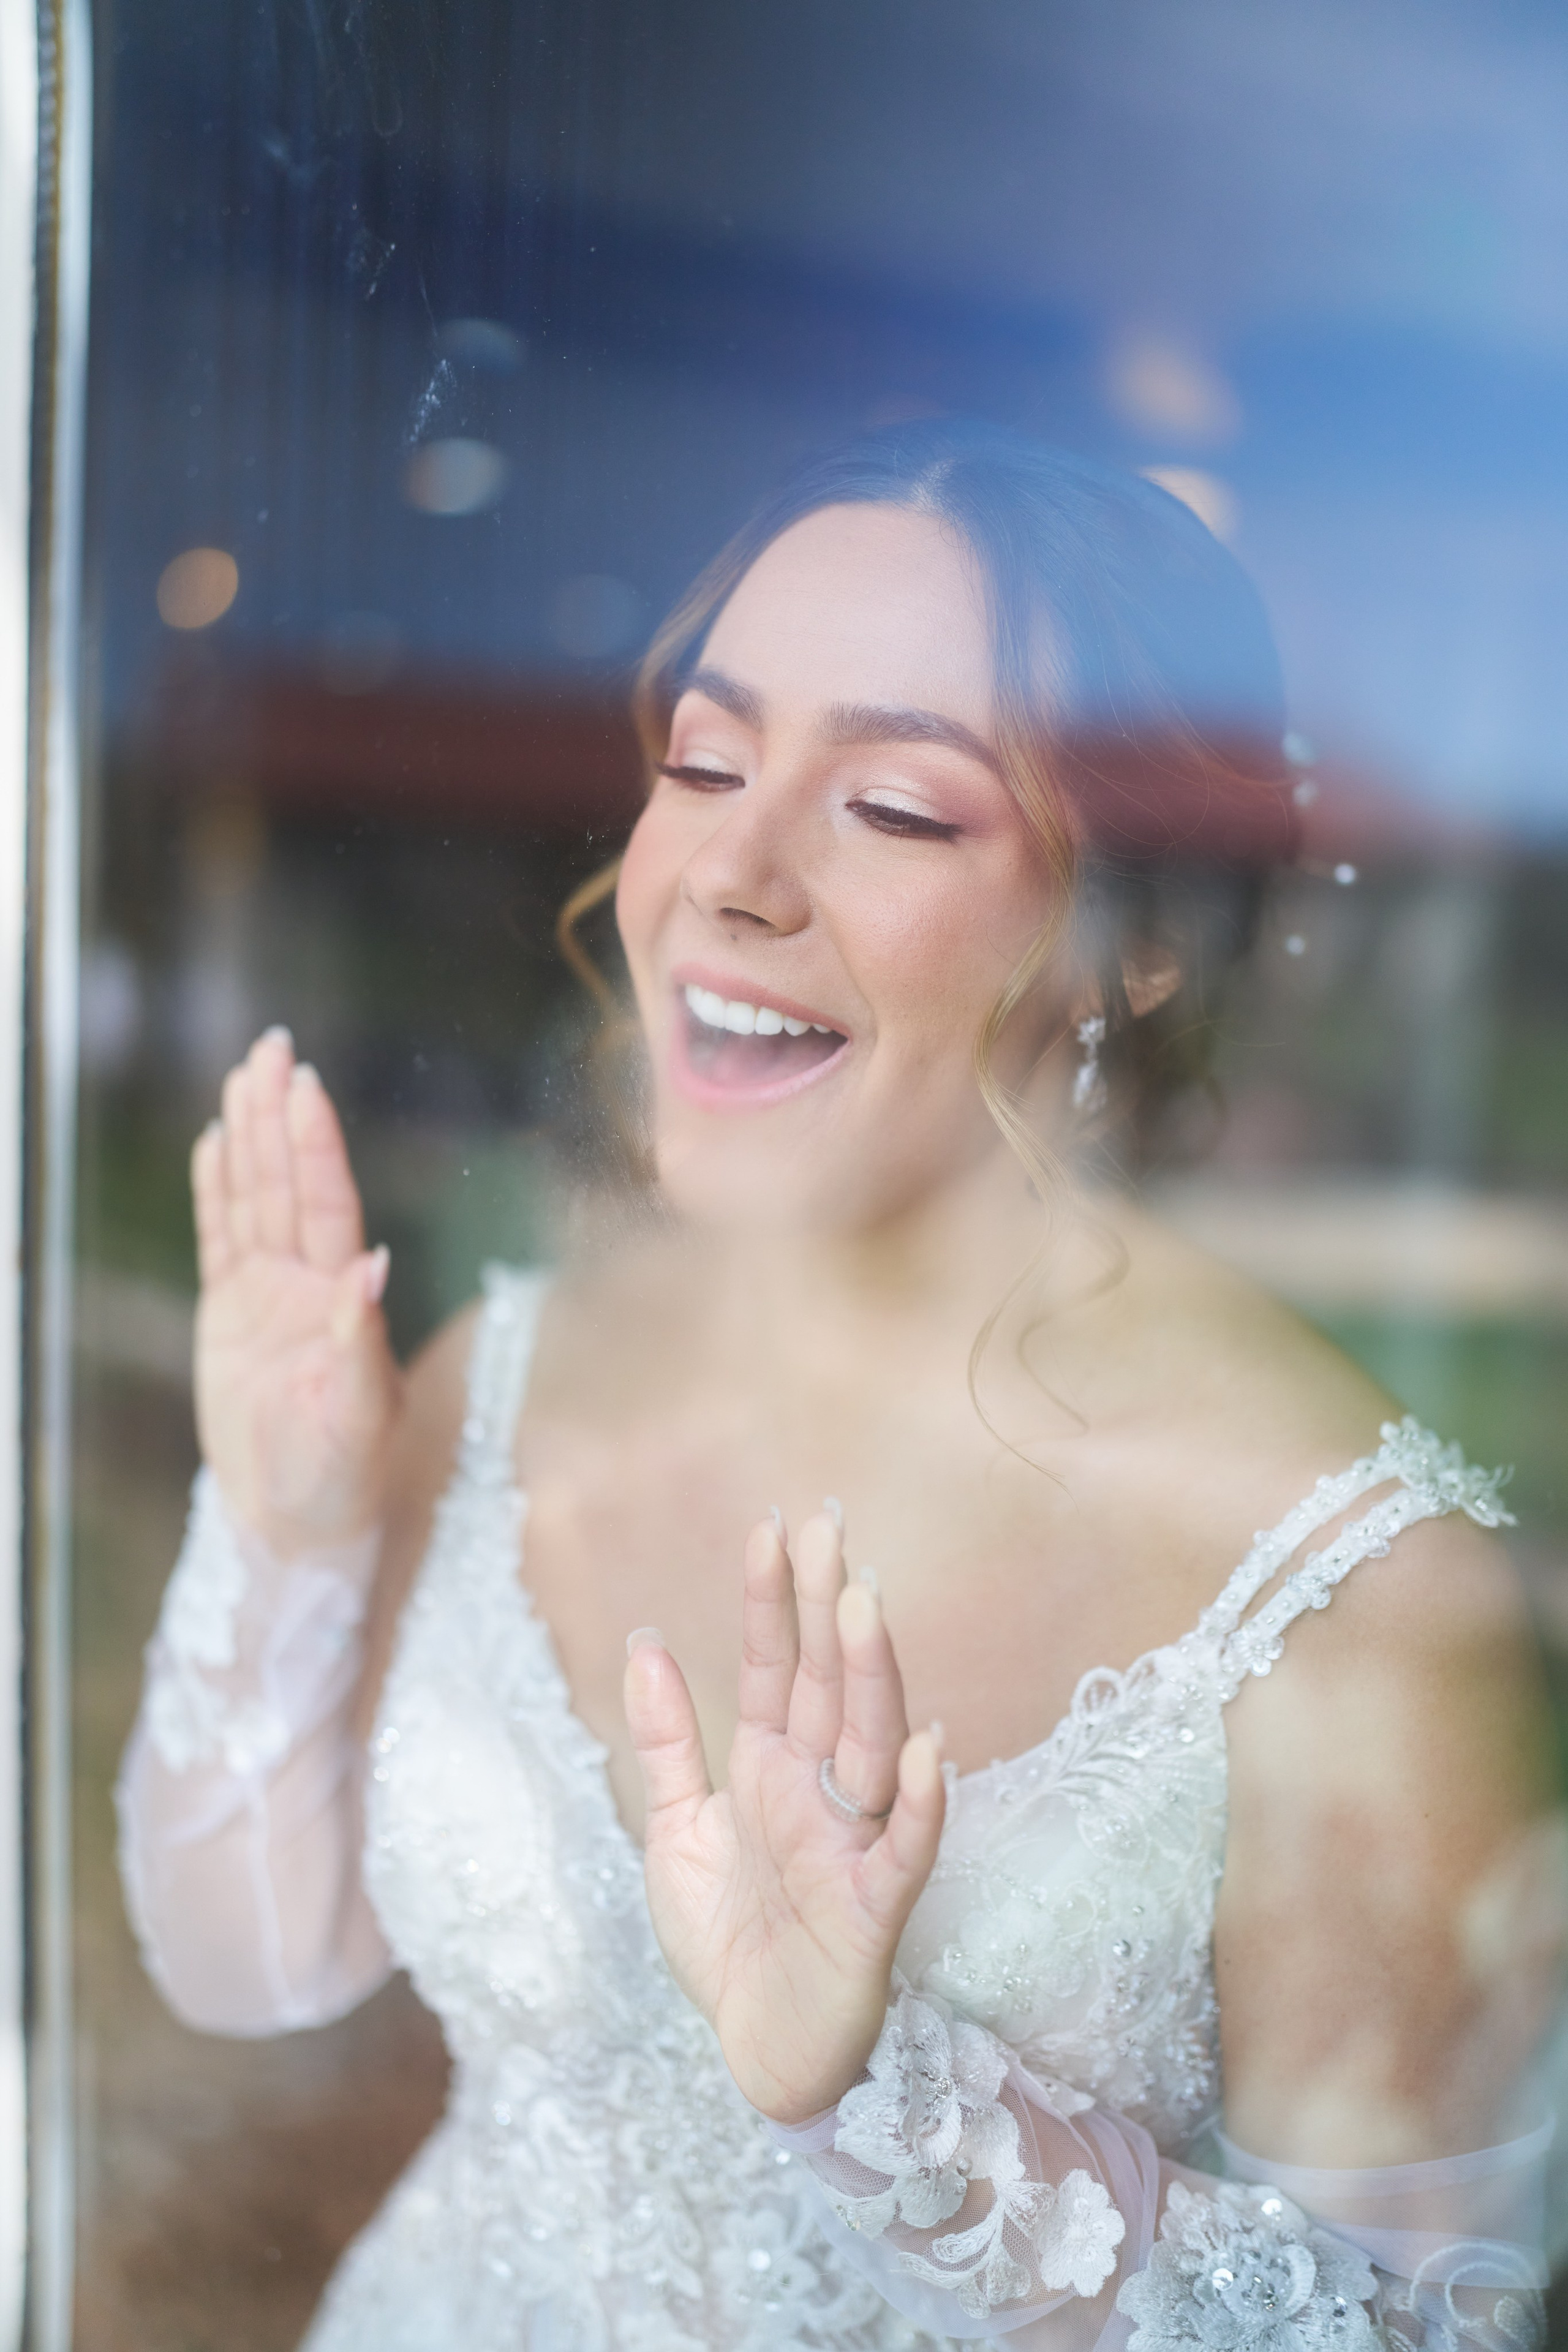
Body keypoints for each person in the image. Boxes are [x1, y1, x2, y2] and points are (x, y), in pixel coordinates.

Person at [118, 423, 1562, 2351]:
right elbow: (252, 1973)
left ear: (1138, 940)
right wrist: (291, 1537)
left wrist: (890, 2111)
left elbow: (1431, 2330)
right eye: (706, 765)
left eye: (891, 806)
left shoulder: (1360, 1600)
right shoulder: (505, 1373)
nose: (728, 871)